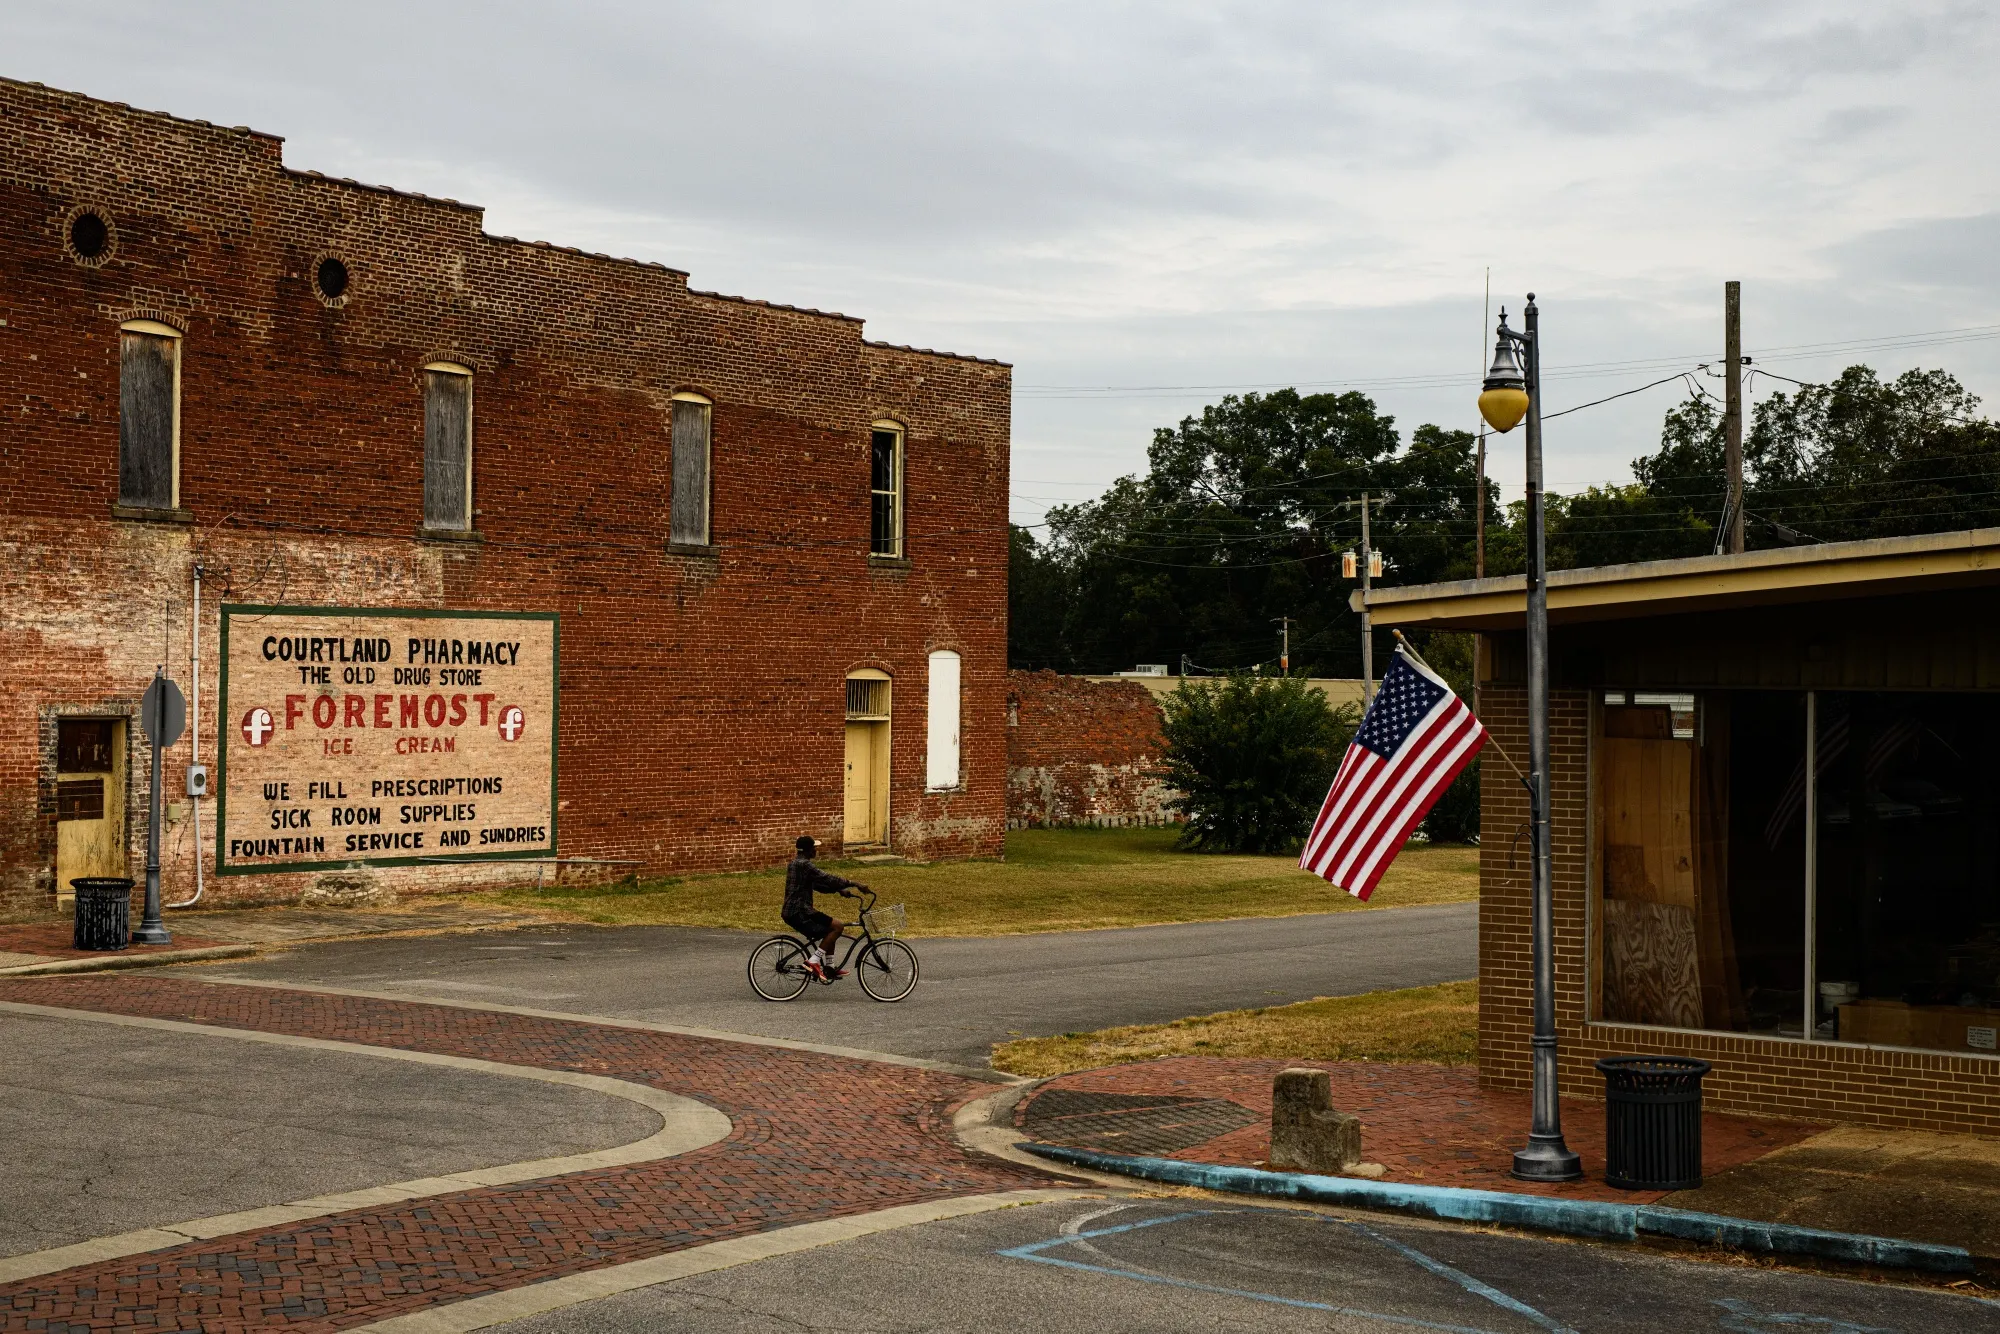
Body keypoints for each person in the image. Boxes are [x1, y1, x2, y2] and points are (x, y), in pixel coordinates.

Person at [783, 835, 864, 980]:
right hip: (800, 911)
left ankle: (829, 968)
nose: (816, 850)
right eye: (814, 848)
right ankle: (813, 961)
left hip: (794, 910)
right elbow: (827, 878)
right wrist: (854, 883)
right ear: (808, 850)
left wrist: (838, 890)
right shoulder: (805, 865)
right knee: (837, 927)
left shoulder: (795, 863)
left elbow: (817, 885)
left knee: (830, 930)